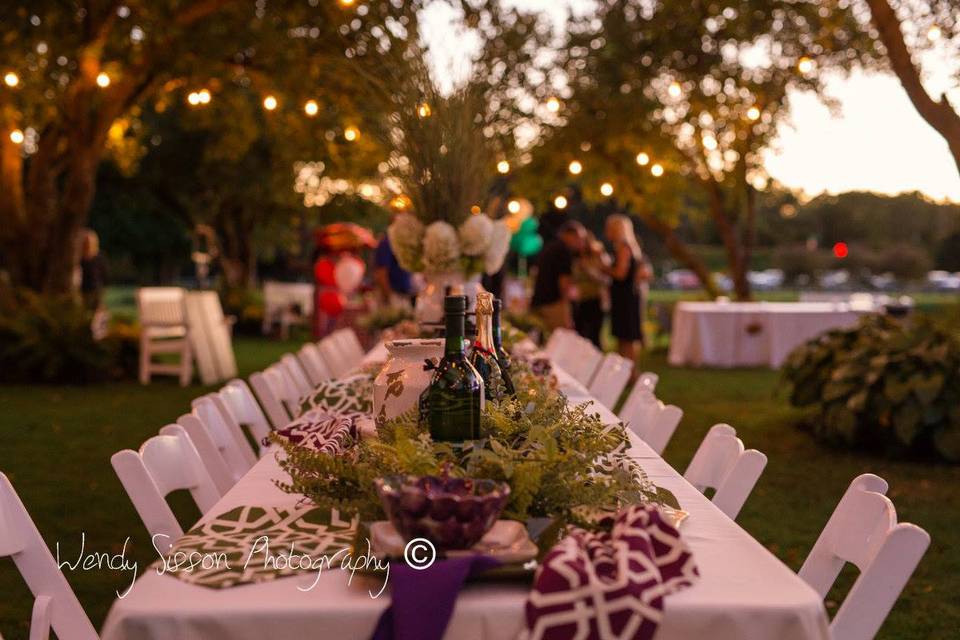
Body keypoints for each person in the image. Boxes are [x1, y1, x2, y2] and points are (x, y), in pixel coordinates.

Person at [604, 214, 645, 364]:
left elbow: (620, 274)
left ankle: (630, 373)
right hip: (626, 297)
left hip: (625, 298)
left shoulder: (623, 246)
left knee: (626, 337)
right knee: (624, 337)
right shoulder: (629, 246)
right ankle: (625, 372)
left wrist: (604, 268)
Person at [531, 220, 586, 332]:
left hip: (540, 300)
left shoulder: (551, 247)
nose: (580, 242)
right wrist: (565, 310)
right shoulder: (563, 250)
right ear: (569, 235)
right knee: (560, 340)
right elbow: (564, 281)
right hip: (554, 304)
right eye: (579, 238)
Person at [572, 231, 609, 347]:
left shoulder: (597, 256)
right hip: (579, 300)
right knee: (580, 334)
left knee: (594, 335)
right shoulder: (574, 258)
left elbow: (605, 279)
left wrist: (588, 271)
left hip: (595, 299)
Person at [374, 233, 414, 308]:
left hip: (403, 295)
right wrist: (389, 297)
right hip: (394, 295)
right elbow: (381, 272)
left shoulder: (401, 241)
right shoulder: (387, 242)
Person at [79, 229, 108, 312]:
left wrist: (103, 290)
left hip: (96, 289)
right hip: (83, 290)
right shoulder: (79, 258)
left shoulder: (99, 257)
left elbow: (105, 274)